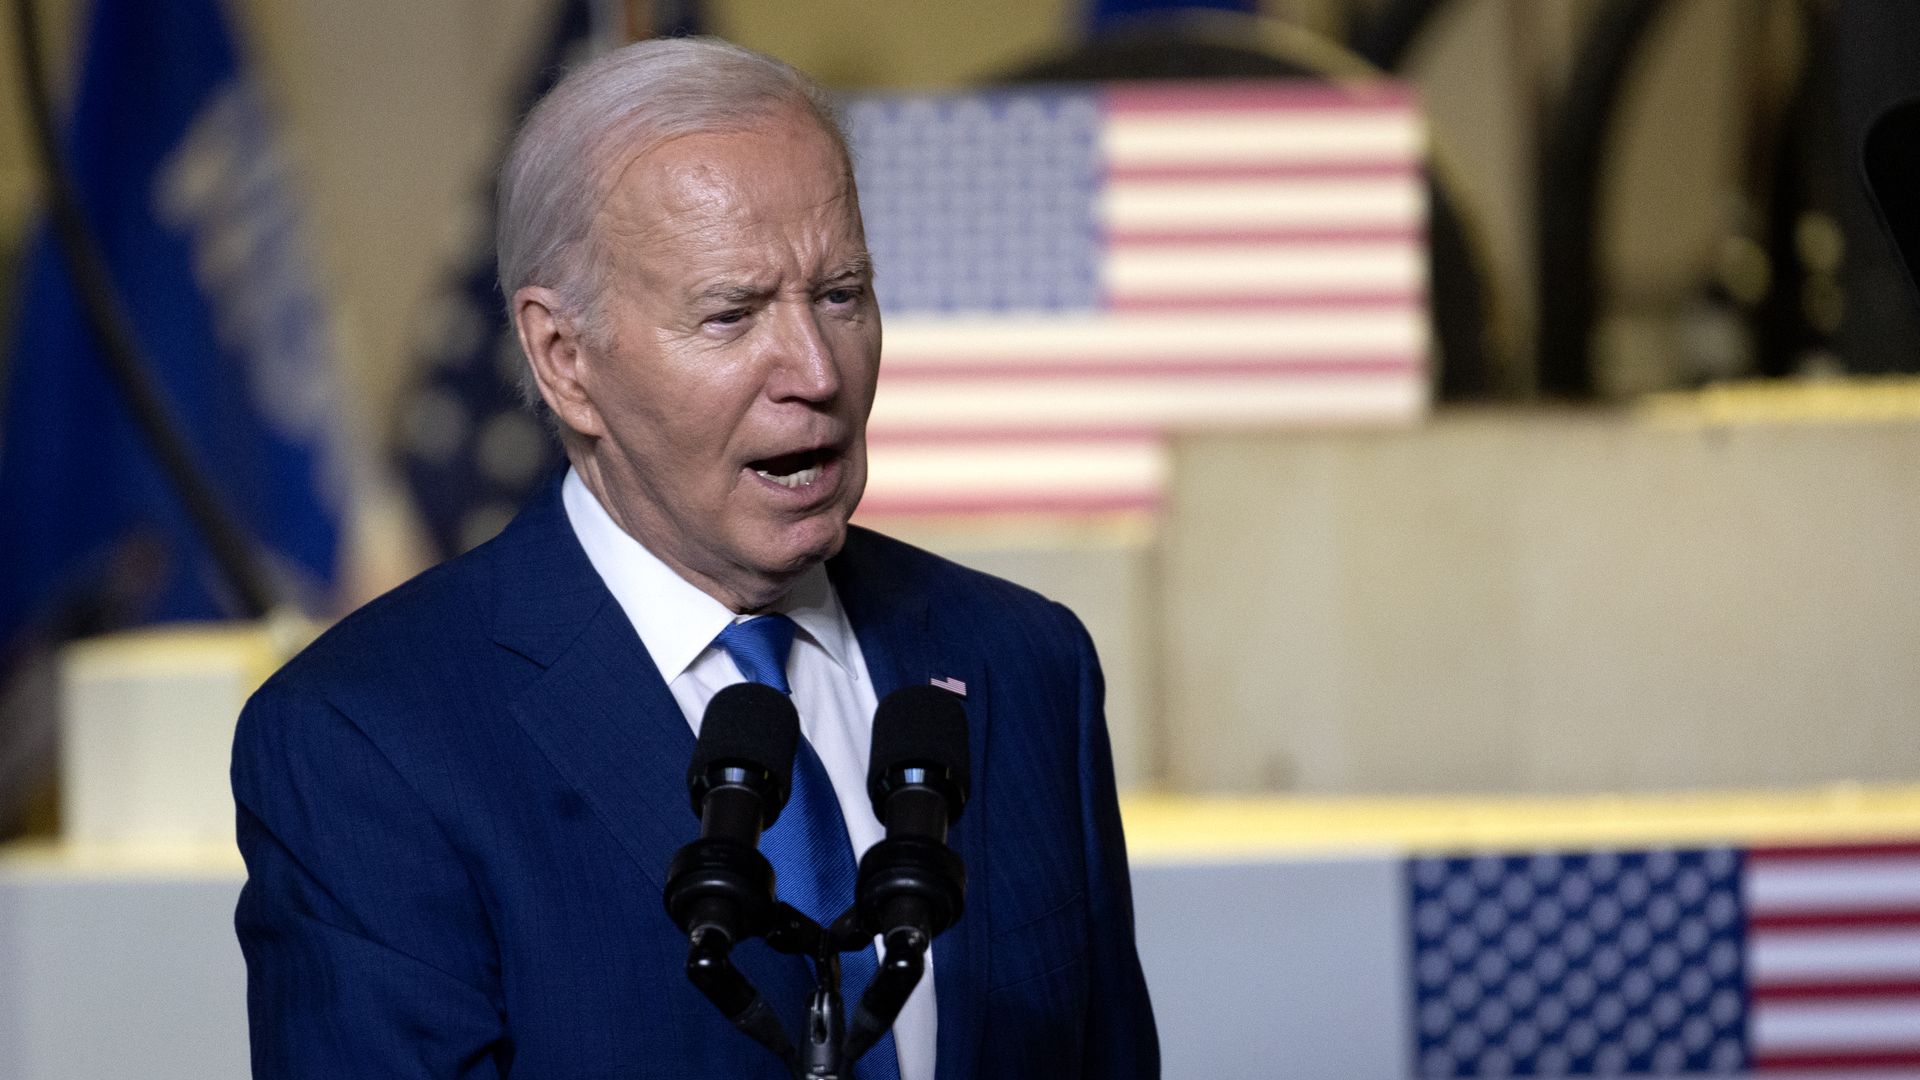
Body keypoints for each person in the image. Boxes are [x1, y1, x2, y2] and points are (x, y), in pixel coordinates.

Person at [231, 36, 1158, 1080]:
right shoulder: (366, 740)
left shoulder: (1023, 666)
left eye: (842, 295)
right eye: (733, 314)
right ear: (564, 360)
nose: (814, 371)